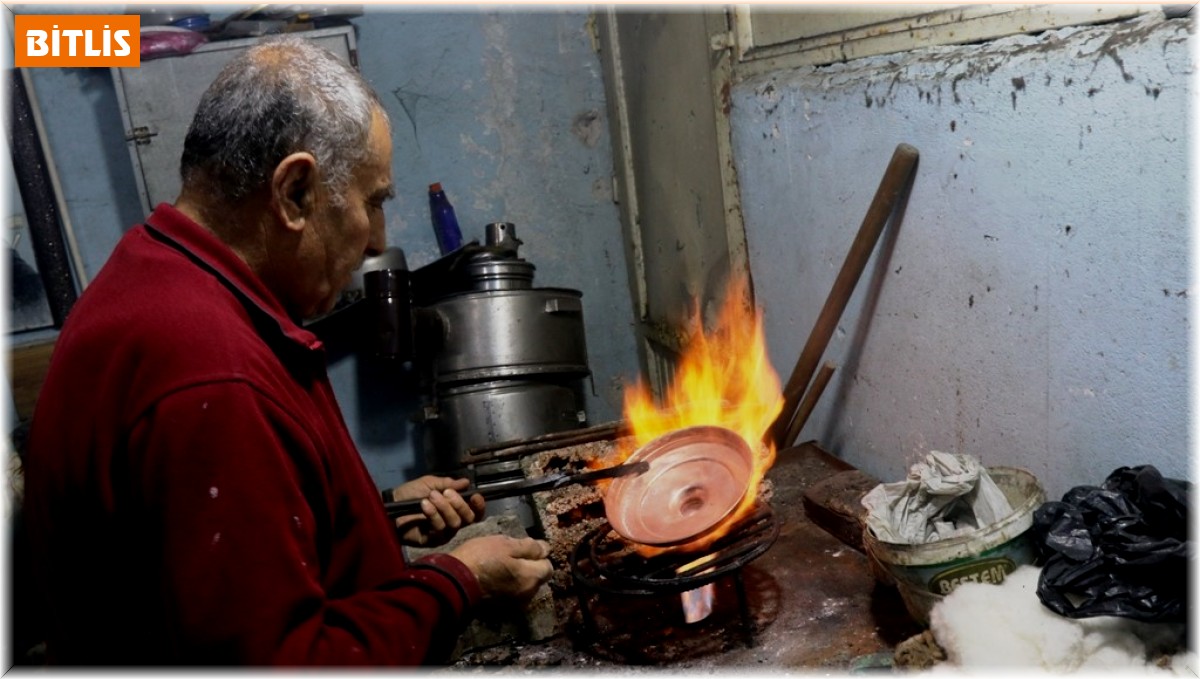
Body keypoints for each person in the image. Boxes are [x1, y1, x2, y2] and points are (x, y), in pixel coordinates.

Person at [21, 36, 552, 665]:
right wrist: (461, 579)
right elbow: (284, 661)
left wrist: (363, 519)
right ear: (295, 192)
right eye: (372, 201)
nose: (377, 239)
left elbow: (208, 557)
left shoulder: (157, 277)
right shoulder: (211, 373)